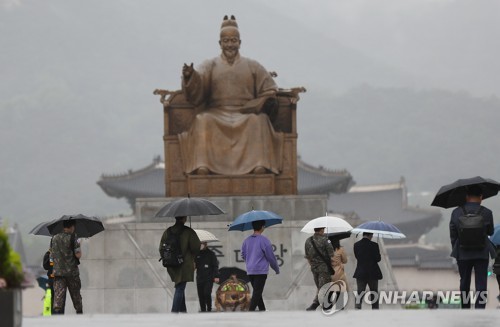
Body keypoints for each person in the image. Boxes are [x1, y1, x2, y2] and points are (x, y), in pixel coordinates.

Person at [179, 15, 284, 176]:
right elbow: (198, 84)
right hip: (216, 112)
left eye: (233, 41)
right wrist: (189, 76)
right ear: (220, 43)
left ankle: (259, 165)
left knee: (259, 121)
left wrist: (261, 101)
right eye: (226, 41)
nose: (230, 45)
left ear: (240, 43)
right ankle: (202, 166)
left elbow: (270, 88)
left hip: (245, 113)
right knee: (202, 120)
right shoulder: (210, 65)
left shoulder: (252, 65)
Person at [449, 185, 495, 309]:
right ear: (481, 197)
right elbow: (490, 232)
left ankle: (465, 309)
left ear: (467, 196)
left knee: (464, 282)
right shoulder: (487, 212)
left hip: (462, 253)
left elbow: (453, 234)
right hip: (481, 253)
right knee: (481, 283)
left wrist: (457, 250)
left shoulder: (456, 212)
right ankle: (480, 309)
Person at [159, 216, 201, 313]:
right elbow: (196, 248)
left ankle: (183, 311)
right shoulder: (188, 231)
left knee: (179, 284)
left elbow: (161, 248)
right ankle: (174, 312)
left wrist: (168, 259)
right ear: (185, 219)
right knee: (180, 287)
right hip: (184, 264)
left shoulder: (167, 231)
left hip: (170, 264)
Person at [241, 220, 280, 311]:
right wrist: (276, 269)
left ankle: (262, 309)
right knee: (257, 292)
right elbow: (271, 257)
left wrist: (250, 261)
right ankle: (251, 311)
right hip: (260, 270)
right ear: (262, 227)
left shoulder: (246, 240)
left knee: (257, 292)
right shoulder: (264, 240)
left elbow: (243, 255)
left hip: (250, 270)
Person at [51, 220, 82, 314]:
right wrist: (79, 245)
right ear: (72, 226)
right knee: (76, 298)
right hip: (72, 273)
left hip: (58, 273)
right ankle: (81, 318)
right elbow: (78, 255)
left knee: (58, 300)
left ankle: (58, 321)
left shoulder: (54, 238)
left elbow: (51, 255)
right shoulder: (74, 237)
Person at [304, 227, 334, 311]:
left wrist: (313, 265)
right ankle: (315, 304)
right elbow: (331, 254)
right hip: (324, 268)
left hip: (314, 268)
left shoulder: (308, 240)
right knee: (323, 287)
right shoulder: (326, 240)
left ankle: (326, 304)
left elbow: (307, 256)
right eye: (323, 230)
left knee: (320, 287)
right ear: (321, 230)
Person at [353, 232, 382, 310]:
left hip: (360, 272)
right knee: (374, 292)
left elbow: (357, 257)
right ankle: (375, 309)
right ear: (370, 235)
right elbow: (378, 259)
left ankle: (357, 308)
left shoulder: (356, 245)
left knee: (360, 292)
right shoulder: (374, 245)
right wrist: (379, 254)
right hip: (372, 273)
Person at [195, 242, 220, 312]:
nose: (201, 245)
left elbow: (215, 266)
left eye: (202, 243)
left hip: (209, 277)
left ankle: (209, 308)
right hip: (199, 277)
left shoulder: (211, 254)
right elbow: (194, 265)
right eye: (200, 243)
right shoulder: (197, 254)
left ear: (206, 244)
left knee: (207, 293)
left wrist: (216, 276)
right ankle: (203, 309)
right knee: (201, 295)